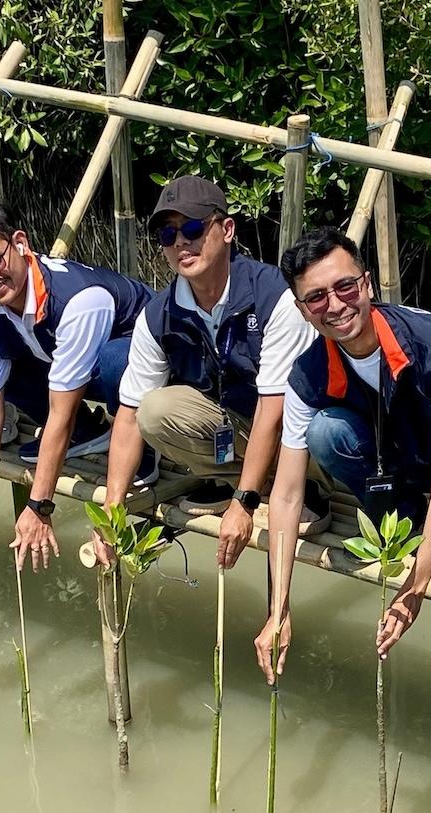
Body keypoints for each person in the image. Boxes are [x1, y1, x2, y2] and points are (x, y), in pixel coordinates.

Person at [254, 227, 431, 682]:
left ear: (366, 284)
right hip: (404, 458)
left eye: (345, 286)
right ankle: (415, 517)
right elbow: (285, 497)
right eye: (317, 297)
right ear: (303, 311)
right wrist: (278, 609)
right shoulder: (307, 371)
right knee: (325, 432)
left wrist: (414, 588)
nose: (336, 305)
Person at [92, 176, 331, 572]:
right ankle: (243, 482)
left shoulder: (276, 298)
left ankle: (303, 488)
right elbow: (130, 415)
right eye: (168, 235)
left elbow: (275, 410)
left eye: (192, 228)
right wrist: (112, 508)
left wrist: (244, 504)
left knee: (312, 422)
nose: (181, 243)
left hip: (298, 431)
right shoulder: (159, 313)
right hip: (235, 424)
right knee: (154, 409)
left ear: (227, 229)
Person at [0, 200, 154, 571]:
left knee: (114, 363)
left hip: (150, 370)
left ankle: (146, 455)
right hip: (67, 365)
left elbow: (61, 411)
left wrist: (39, 506)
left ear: (20, 243)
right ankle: (90, 435)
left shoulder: (78, 300)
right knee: (3, 367)